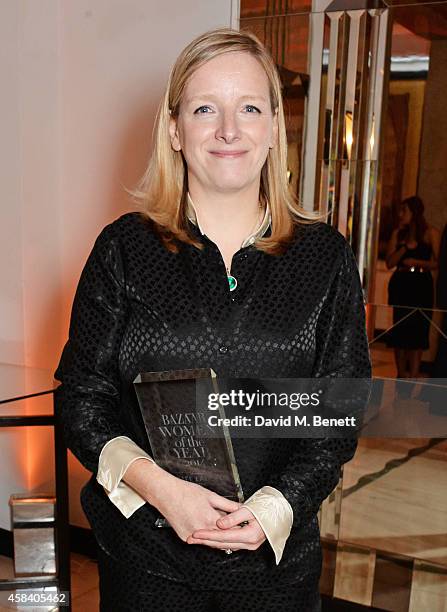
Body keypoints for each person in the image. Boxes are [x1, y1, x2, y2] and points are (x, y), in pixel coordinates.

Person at [54, 27, 371, 612]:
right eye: (206, 109)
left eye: (249, 107)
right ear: (175, 130)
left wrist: (274, 505)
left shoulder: (324, 257)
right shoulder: (124, 249)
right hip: (145, 566)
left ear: (274, 126)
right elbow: (82, 399)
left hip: (275, 575)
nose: (229, 129)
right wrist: (162, 490)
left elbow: (338, 413)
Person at [385, 196, 440, 379]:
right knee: (400, 334)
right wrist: (405, 248)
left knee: (417, 336)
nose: (401, 215)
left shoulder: (430, 233)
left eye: (404, 211)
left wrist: (417, 261)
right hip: (402, 285)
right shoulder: (398, 234)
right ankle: (401, 375)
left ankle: (413, 376)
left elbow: (438, 263)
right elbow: (389, 263)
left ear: (414, 213)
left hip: (421, 286)